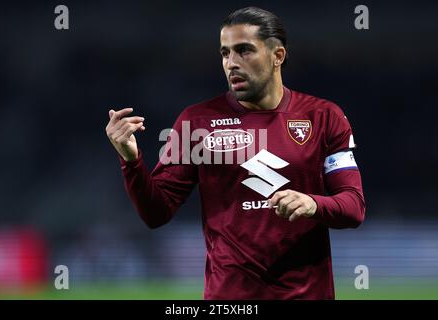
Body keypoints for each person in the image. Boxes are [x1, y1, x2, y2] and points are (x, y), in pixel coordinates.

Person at [106, 6, 365, 299]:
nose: (232, 63)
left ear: (277, 55)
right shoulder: (196, 122)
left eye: (244, 51)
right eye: (225, 53)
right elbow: (156, 212)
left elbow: (353, 207)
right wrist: (131, 160)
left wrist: (313, 204)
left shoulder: (323, 117)